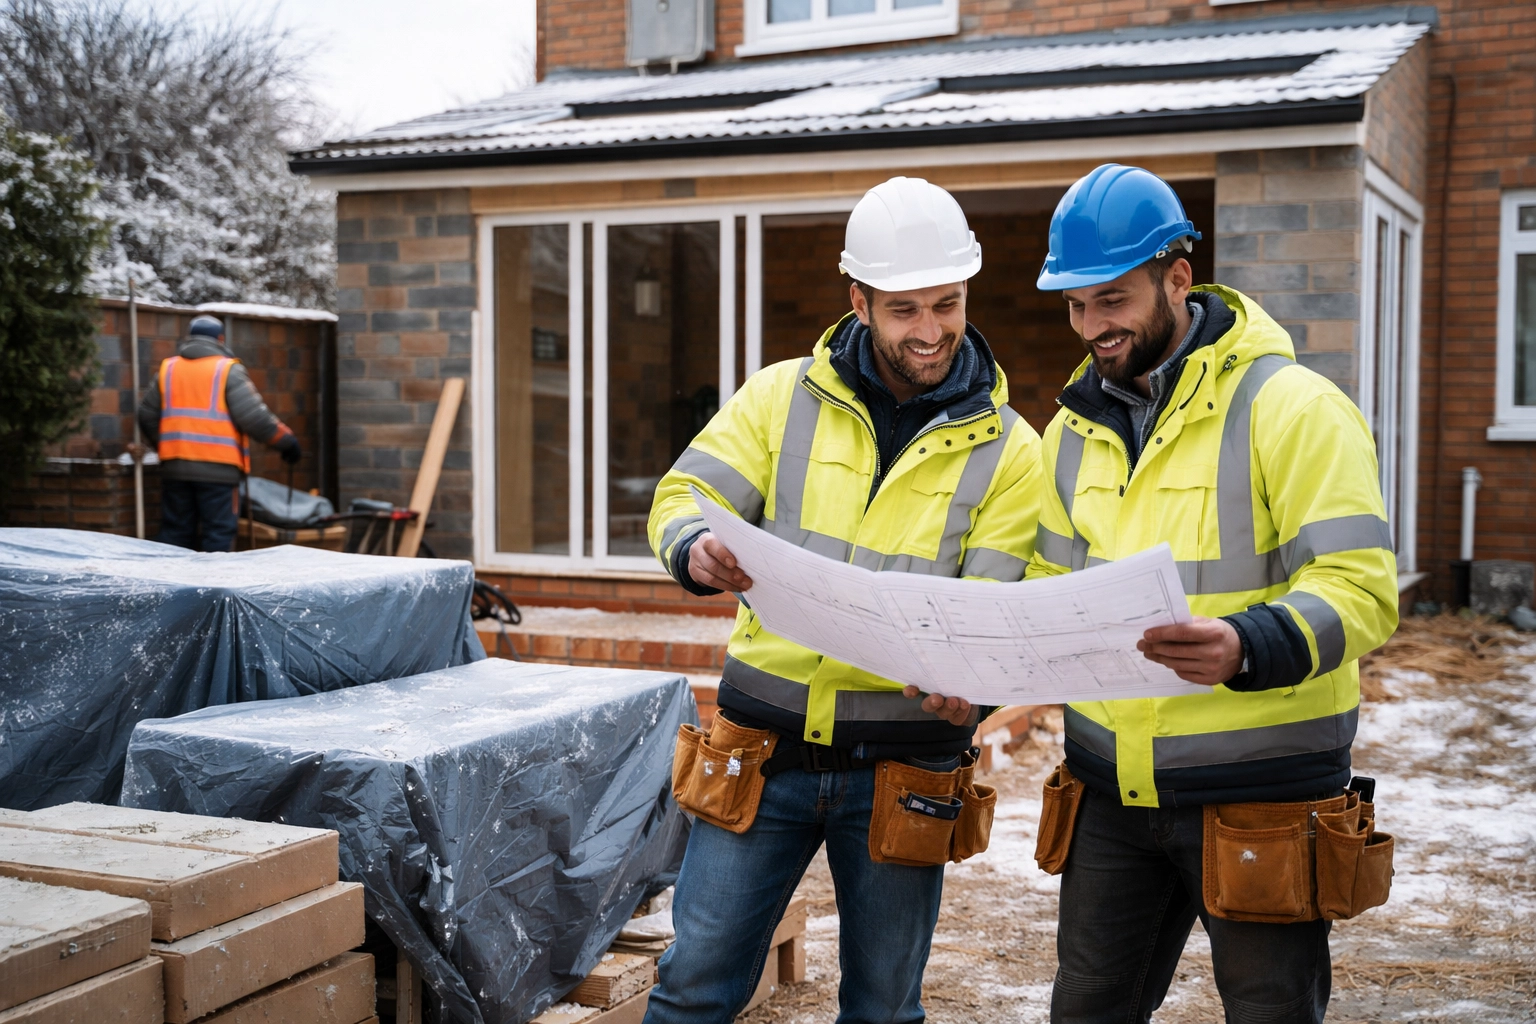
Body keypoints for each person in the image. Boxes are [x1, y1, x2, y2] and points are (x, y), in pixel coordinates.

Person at [645, 177, 1044, 1024]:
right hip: (760, 752)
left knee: (884, 1010)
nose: (931, 331)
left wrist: (978, 683)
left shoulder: (1013, 451)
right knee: (691, 989)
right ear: (857, 299)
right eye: (905, 310)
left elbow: (1008, 608)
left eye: (948, 304)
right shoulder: (778, 399)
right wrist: (695, 549)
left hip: (907, 767)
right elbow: (680, 495)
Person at [1024, 164, 1399, 1023]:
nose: (1092, 326)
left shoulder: (1293, 409)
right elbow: (1048, 585)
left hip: (1262, 798)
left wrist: (1247, 643)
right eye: (1076, 305)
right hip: (1112, 795)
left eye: (1111, 300)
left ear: (1178, 279)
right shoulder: (1073, 433)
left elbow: (1361, 588)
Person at [137, 314, 300, 552]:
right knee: (218, 536)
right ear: (221, 339)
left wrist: (167, 446)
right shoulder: (226, 370)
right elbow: (254, 417)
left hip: (176, 469)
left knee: (175, 535)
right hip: (218, 473)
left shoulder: (169, 369)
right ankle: (215, 589)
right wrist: (286, 442)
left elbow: (146, 415)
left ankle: (171, 587)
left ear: (189, 338)